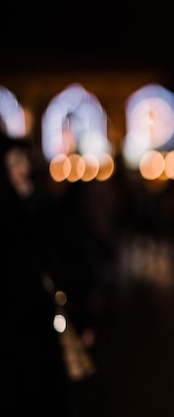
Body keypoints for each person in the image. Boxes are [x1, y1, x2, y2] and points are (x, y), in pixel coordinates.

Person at [0, 131, 75, 416]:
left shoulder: (36, 203)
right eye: (16, 160)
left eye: (25, 159)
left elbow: (57, 256)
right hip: (15, 329)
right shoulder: (11, 211)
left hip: (38, 320)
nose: (24, 168)